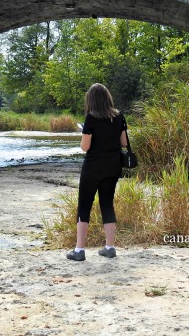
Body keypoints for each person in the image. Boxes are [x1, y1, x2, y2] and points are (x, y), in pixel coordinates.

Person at [67, 83, 128, 261]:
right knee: (107, 204)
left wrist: (84, 135)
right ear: (108, 98)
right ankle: (110, 247)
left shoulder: (91, 118)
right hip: (113, 166)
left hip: (93, 167)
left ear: (91, 100)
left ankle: (79, 250)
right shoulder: (119, 116)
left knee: (84, 205)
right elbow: (124, 143)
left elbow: (85, 147)